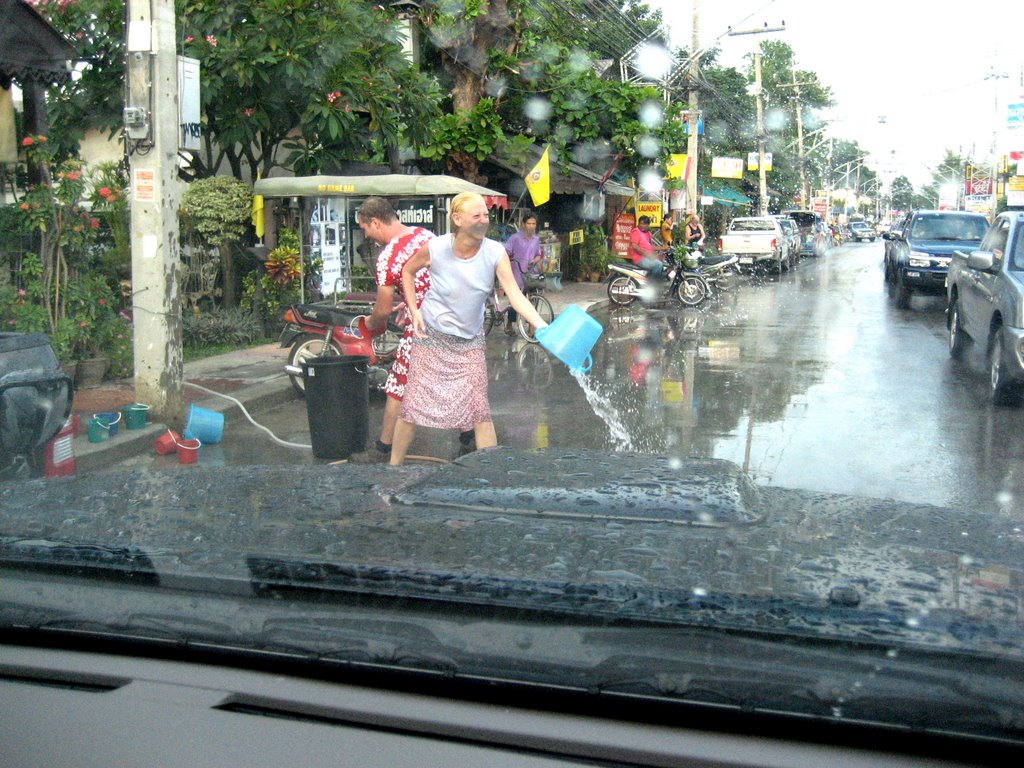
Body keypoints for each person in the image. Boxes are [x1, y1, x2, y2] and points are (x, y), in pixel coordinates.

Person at [389, 192, 550, 466]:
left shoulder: (494, 252)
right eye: (476, 216)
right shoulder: (436, 248)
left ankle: (490, 475)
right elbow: (407, 271)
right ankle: (392, 469)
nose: (483, 221)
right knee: (412, 406)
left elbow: (515, 294)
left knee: (479, 410)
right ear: (457, 219)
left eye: (486, 215)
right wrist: (414, 309)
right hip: (432, 337)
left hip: (470, 342)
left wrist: (542, 326)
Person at [350, 196, 436, 463]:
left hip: (424, 325)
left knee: (399, 382)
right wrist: (410, 304)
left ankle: (384, 448)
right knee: (454, 376)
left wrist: (368, 326)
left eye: (365, 228)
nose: (366, 234)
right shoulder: (425, 234)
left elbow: (382, 310)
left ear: (375, 222)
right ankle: (470, 437)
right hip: (450, 317)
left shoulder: (388, 257)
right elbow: (429, 280)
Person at [503, 212, 545, 335]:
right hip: (516, 274)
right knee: (515, 300)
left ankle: (532, 327)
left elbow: (538, 254)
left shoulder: (536, 239)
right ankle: (510, 324)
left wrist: (535, 260)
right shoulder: (515, 238)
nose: (531, 226)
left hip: (531, 274)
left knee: (533, 299)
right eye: (529, 223)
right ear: (523, 224)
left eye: (534, 224)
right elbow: (506, 252)